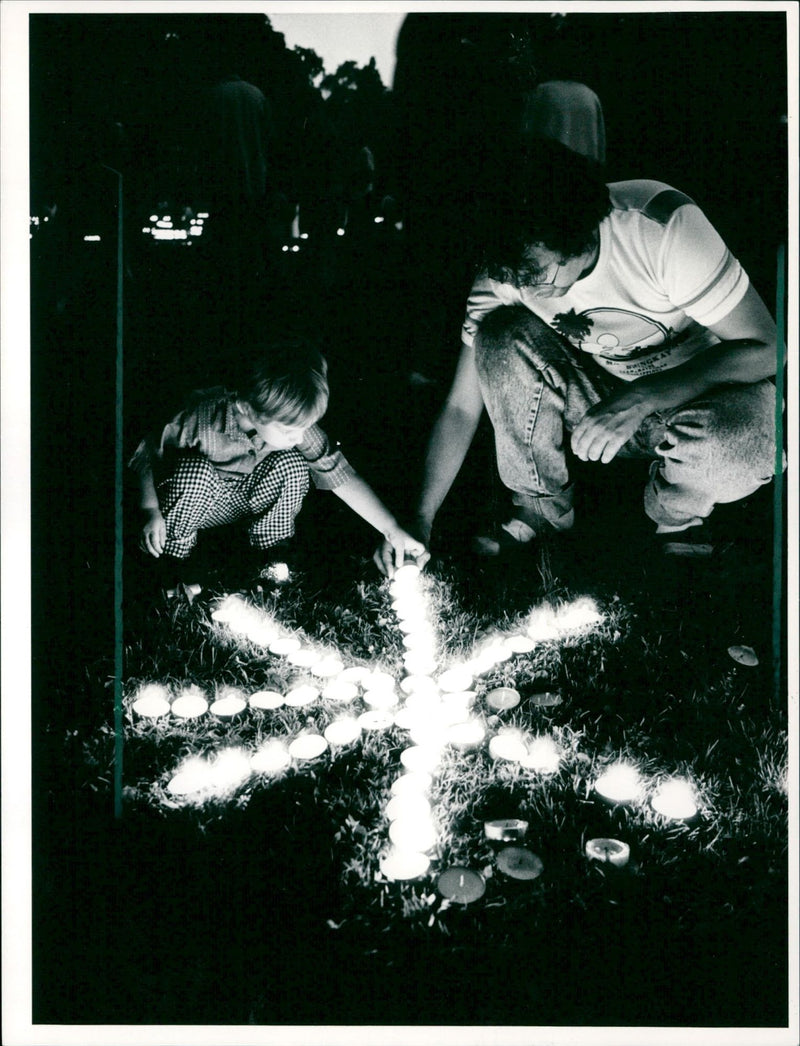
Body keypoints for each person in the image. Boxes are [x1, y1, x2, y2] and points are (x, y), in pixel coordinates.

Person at [383, 137, 779, 565]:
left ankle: (675, 515)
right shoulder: (508, 272)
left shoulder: (660, 227)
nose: (526, 288)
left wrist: (641, 398)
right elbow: (461, 406)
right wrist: (422, 515)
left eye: (536, 273)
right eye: (513, 275)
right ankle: (542, 508)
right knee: (497, 337)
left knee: (756, 441)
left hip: (703, 398)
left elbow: (768, 347)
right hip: (597, 398)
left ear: (576, 230)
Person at [131, 336, 426, 585]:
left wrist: (391, 528)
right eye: (289, 430)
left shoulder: (290, 422)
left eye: (302, 428)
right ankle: (173, 563)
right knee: (194, 473)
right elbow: (145, 453)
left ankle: (269, 558)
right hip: (193, 501)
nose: (299, 437)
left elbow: (337, 471)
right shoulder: (201, 416)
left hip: (238, 500)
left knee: (293, 463)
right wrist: (149, 508)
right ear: (247, 408)